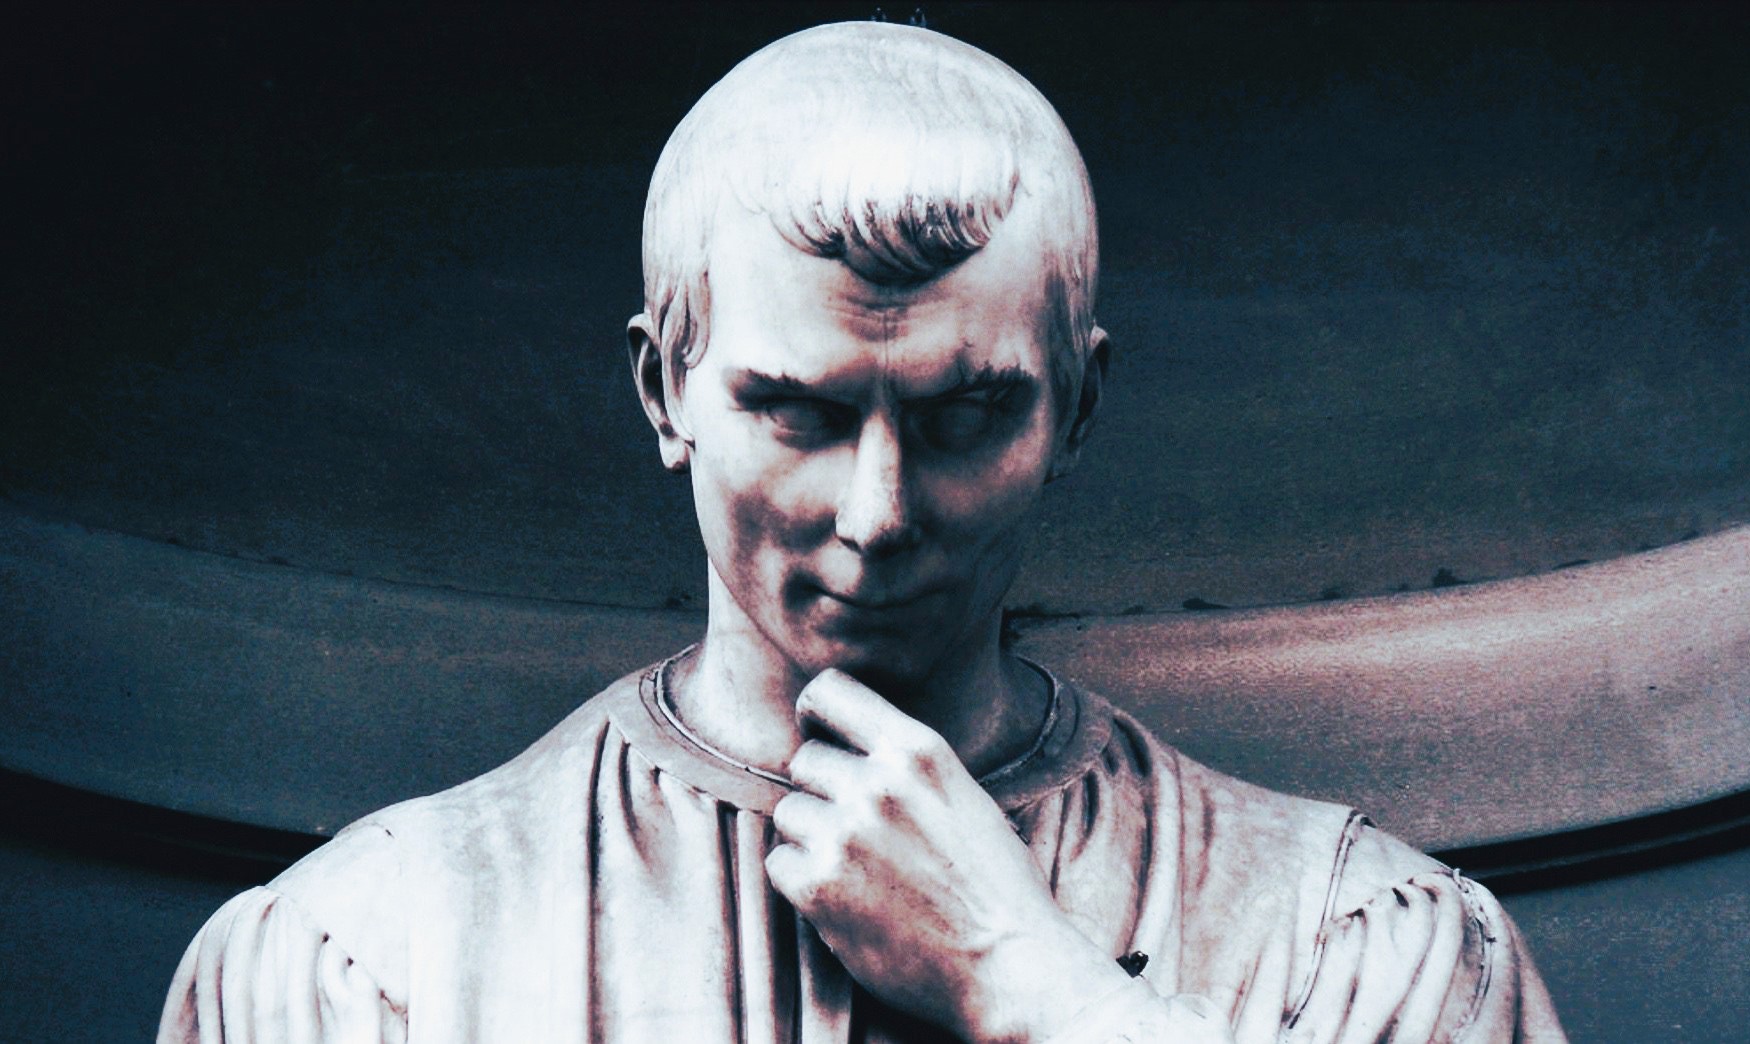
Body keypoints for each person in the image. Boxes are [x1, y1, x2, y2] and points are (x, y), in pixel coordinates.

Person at [160, 21, 1566, 1043]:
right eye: (799, 413)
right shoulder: (361, 967)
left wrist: (1032, 984)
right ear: (664, 392)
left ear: (1075, 409)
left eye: (963, 417)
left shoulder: (1363, 954)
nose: (878, 514)